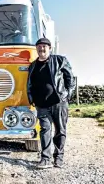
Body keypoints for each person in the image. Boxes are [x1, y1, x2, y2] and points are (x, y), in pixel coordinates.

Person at [27, 37, 76, 169]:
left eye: (44, 46)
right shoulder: (33, 65)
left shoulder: (60, 60)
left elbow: (70, 79)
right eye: (39, 47)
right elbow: (30, 84)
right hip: (41, 105)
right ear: (36, 49)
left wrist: (66, 95)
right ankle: (46, 158)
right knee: (45, 131)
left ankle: (58, 157)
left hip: (59, 102)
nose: (41, 49)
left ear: (49, 48)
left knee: (60, 130)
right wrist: (32, 99)